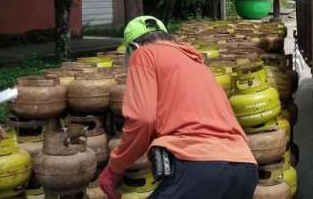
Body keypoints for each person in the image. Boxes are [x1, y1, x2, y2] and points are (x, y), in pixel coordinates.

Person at [100, 16, 257, 199]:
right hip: (244, 166)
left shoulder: (144, 54)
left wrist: (114, 169)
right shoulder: (196, 63)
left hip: (198, 166)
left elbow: (142, 119)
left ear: (133, 48)